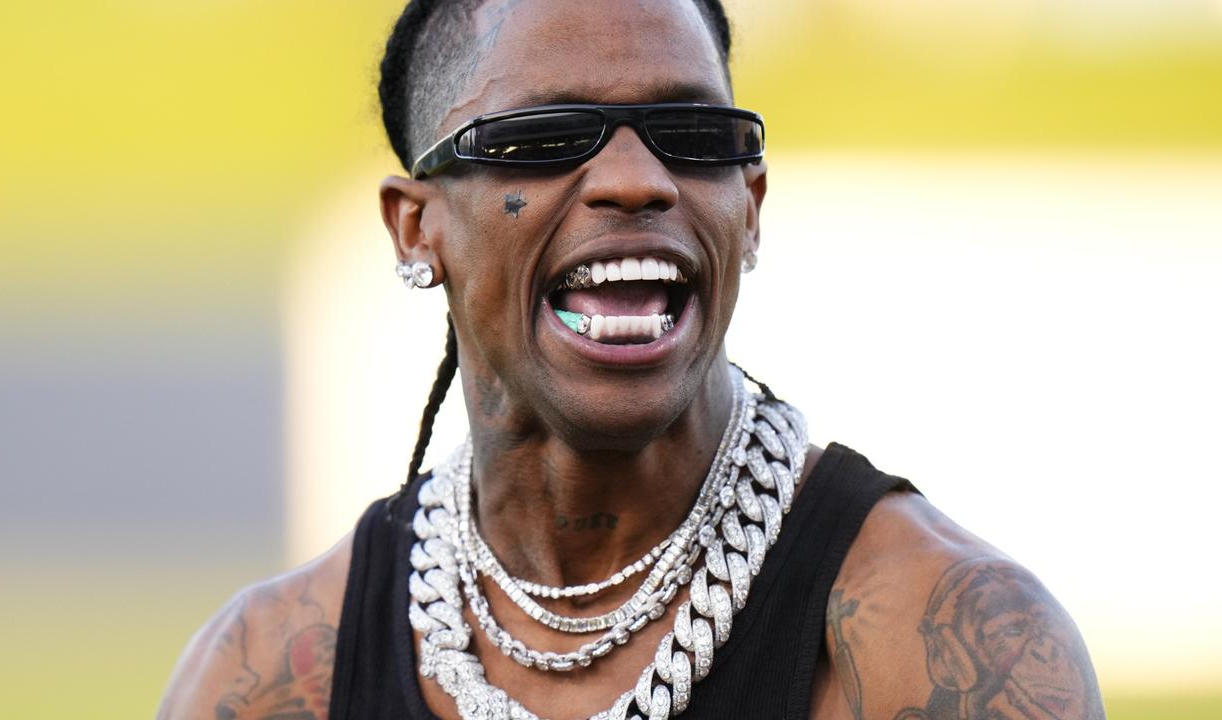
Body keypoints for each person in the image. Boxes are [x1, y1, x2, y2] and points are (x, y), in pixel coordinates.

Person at [159, 0, 1106, 718]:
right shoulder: (272, 672)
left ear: (751, 207)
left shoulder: (942, 640)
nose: (634, 180)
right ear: (418, 229)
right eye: (543, 138)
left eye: (694, 138)